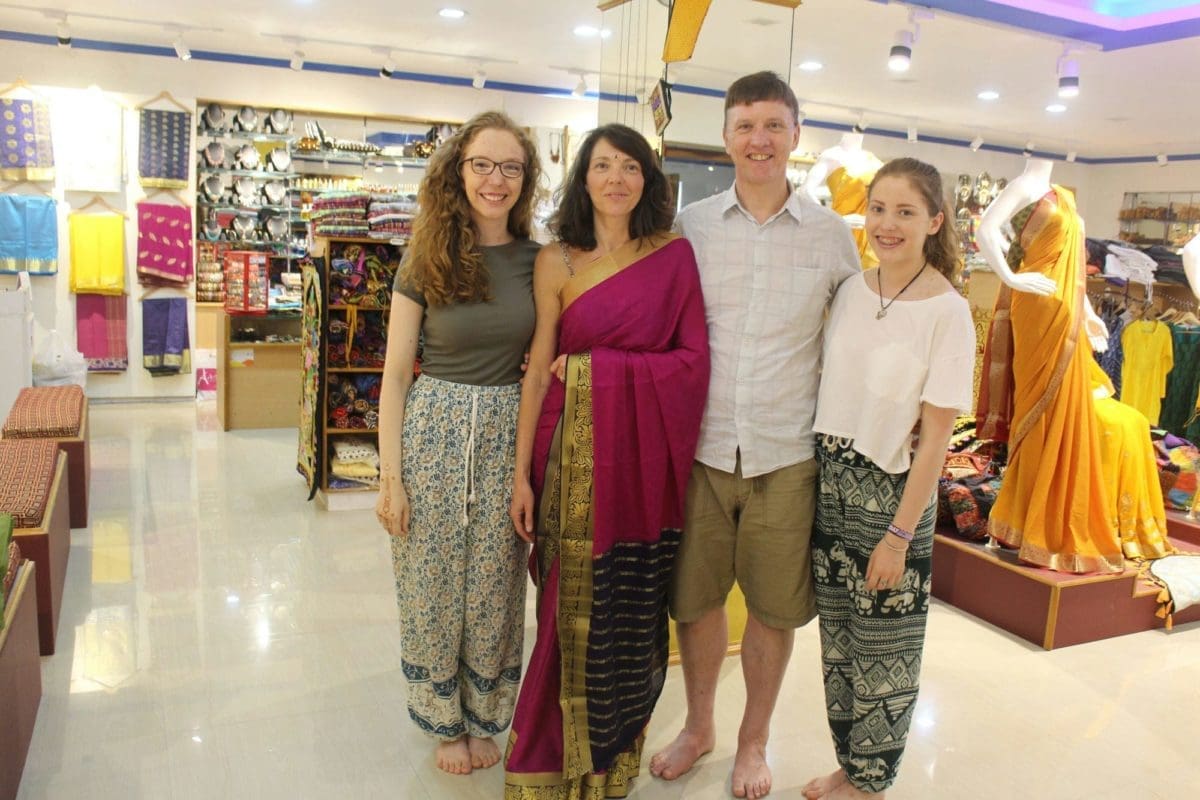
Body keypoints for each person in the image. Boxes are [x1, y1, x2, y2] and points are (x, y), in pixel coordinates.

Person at [650, 71, 860, 800]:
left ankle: (753, 741)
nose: (759, 140)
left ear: (797, 135)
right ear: (727, 136)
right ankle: (700, 725)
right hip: (700, 449)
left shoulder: (835, 238)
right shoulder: (692, 227)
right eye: (745, 125)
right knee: (695, 598)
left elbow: (850, 349)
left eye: (773, 125)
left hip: (787, 454)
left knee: (774, 609)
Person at [502, 123, 710, 799]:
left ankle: (607, 759)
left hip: (638, 465)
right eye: (601, 166)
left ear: (647, 179)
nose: (615, 178)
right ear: (583, 178)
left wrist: (599, 373)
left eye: (629, 166)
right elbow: (538, 370)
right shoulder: (556, 261)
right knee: (564, 609)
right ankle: (542, 758)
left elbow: (691, 364)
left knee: (628, 604)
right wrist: (519, 475)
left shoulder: (674, 256)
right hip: (564, 454)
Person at [374, 110, 542, 775]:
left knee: (497, 584)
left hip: (507, 436)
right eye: (482, 164)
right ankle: (445, 721)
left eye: (510, 167)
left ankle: (487, 712)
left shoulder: (538, 261)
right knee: (431, 583)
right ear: (457, 170)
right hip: (433, 431)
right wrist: (392, 477)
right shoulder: (425, 255)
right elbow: (392, 377)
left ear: (524, 179)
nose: (495, 180)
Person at [802, 158, 975, 799]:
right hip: (833, 482)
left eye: (905, 212)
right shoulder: (852, 289)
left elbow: (935, 438)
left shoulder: (948, 312)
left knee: (885, 650)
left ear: (934, 221)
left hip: (891, 495)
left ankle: (874, 781)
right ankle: (851, 766)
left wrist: (900, 535)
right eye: (878, 209)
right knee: (841, 644)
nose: (887, 224)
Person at [974, 157, 1123, 573]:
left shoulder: (1067, 197)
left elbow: (1073, 267)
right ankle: (1022, 520)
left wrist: (1088, 312)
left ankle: (1046, 522)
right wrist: (1012, 278)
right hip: (1036, 306)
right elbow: (985, 230)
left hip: (1067, 309)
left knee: (1065, 412)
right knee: (1035, 412)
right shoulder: (1025, 186)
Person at [803, 132, 884, 269]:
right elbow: (805, 191)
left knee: (870, 283)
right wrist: (836, 220)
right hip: (844, 229)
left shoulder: (872, 159)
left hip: (871, 233)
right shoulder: (832, 156)